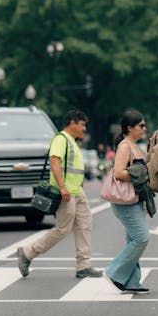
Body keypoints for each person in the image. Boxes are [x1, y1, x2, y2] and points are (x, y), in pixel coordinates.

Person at [17, 109, 102, 279]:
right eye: (82, 125)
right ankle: (27, 253)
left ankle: (83, 266)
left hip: (78, 192)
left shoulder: (72, 141)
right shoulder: (61, 139)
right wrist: (62, 187)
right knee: (63, 229)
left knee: (84, 225)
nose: (84, 129)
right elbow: (54, 162)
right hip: (67, 193)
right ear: (72, 123)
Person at [103, 109, 151, 293]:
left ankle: (131, 282)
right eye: (141, 125)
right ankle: (114, 272)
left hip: (134, 199)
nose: (144, 128)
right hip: (125, 201)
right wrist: (139, 175)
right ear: (129, 127)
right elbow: (119, 172)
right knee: (141, 238)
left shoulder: (135, 145)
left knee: (133, 239)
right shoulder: (125, 146)